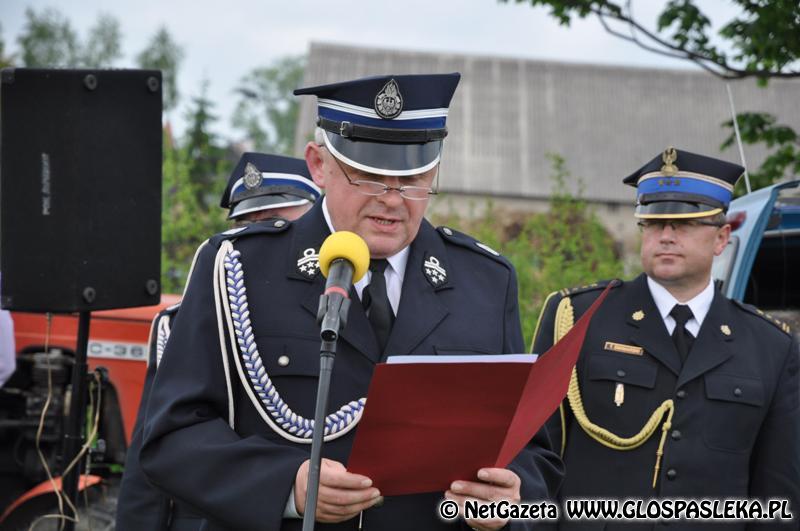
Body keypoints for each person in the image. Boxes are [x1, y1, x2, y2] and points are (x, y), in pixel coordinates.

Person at [140, 73, 563, 531]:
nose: (393, 199)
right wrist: (288, 487)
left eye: (413, 178)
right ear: (318, 165)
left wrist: (509, 504)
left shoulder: (485, 281)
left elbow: (534, 456)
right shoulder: (238, 267)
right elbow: (172, 438)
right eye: (370, 175)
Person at [532, 147, 800, 530]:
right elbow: (534, 456)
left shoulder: (770, 347)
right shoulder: (577, 318)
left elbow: (778, 496)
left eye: (684, 224)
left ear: (722, 237)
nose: (667, 236)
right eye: (656, 223)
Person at [116, 153, 320, 531]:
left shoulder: (352, 316)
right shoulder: (179, 323)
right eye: (246, 224)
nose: (256, 237)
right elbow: (149, 467)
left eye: (277, 222)